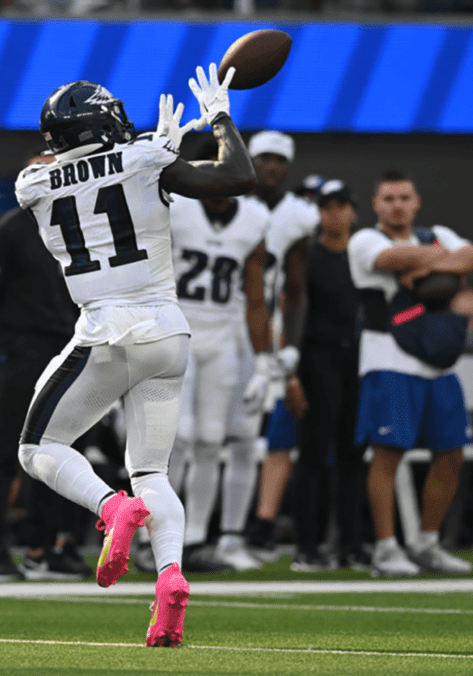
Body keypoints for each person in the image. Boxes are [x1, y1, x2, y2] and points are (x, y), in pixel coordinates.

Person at [14, 68, 254, 647]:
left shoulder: (33, 181)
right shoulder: (146, 158)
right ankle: (170, 576)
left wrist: (150, 153)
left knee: (37, 449)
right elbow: (237, 176)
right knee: (152, 472)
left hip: (105, 331)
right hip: (169, 333)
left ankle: (108, 507)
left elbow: (76, 174)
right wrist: (218, 117)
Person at [349, 170, 473, 577]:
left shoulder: (435, 232)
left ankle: (427, 542)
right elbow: (390, 260)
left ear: (417, 201)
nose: (397, 205)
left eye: (404, 198)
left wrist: (423, 268)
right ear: (376, 204)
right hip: (387, 359)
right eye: (388, 198)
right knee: (388, 453)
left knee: (452, 453)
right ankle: (386, 547)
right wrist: (444, 261)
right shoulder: (364, 239)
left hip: (437, 360)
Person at [0, 152, 91, 582]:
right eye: (38, 171)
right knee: (7, 451)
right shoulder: (9, 231)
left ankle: (44, 549)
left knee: (61, 451)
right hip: (22, 345)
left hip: (71, 345)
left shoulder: (78, 229)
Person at [167, 141, 270, 572]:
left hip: (224, 337)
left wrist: (264, 360)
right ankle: (151, 538)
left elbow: (255, 296)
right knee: (178, 439)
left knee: (211, 441)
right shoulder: (174, 207)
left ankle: (193, 542)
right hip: (177, 330)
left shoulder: (255, 219)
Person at [283, 180, 370, 572]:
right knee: (314, 454)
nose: (334, 214)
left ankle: (351, 543)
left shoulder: (366, 255)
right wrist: (291, 374)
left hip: (360, 360)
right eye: (326, 207)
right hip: (318, 359)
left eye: (341, 205)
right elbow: (293, 310)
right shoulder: (309, 257)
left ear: (353, 210)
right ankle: (308, 545)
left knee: (354, 455)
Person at [242, 131, 320, 561]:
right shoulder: (226, 203)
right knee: (210, 435)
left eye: (278, 160)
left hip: (270, 334)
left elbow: (295, 290)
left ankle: (257, 528)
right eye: (263, 159)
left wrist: (288, 349)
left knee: (270, 434)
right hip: (221, 327)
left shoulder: (298, 216)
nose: (271, 167)